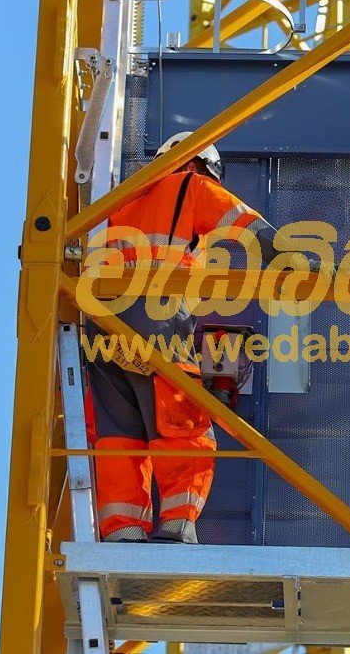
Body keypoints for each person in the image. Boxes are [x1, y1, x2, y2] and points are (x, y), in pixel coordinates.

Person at [84, 131, 280, 544]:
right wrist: (286, 254)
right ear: (196, 165)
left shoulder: (117, 201)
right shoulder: (187, 184)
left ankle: (123, 531)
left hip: (98, 319)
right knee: (184, 421)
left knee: (120, 431)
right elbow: (238, 219)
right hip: (153, 310)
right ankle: (177, 524)